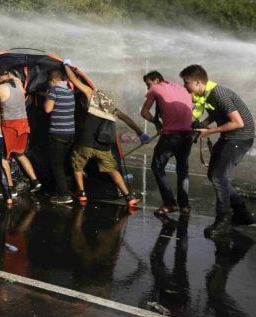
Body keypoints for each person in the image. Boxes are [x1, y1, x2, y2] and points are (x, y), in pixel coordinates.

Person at [180, 64, 256, 236]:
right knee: (214, 175)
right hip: (230, 137)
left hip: (240, 137)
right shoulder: (207, 95)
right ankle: (242, 214)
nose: (185, 86)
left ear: (198, 82)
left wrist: (209, 132)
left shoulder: (219, 94)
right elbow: (216, 114)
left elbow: (238, 122)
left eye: (186, 82)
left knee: (218, 176)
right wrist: (203, 125)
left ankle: (223, 217)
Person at [63, 61, 149, 206]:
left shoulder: (92, 95)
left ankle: (82, 193)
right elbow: (127, 119)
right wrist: (140, 133)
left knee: (77, 165)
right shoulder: (110, 106)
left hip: (86, 142)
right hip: (103, 145)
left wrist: (66, 66)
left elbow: (73, 80)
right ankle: (129, 197)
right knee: (112, 170)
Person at [140, 71, 194, 216]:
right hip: (188, 135)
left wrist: (157, 122)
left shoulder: (156, 88)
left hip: (171, 136)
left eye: (148, 84)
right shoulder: (182, 88)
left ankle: (170, 203)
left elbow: (144, 113)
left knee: (157, 166)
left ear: (156, 80)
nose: (147, 88)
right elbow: (191, 105)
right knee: (182, 169)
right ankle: (185, 206)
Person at [0, 63, 44, 193]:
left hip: (10, 126)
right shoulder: (17, 82)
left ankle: (10, 188)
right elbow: (6, 73)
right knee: (20, 154)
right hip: (24, 124)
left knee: (3, 158)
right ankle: (35, 181)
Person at [44, 69, 76, 204]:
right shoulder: (69, 91)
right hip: (70, 132)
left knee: (56, 164)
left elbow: (47, 109)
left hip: (58, 133)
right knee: (62, 163)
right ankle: (63, 189)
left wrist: (47, 96)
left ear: (52, 81)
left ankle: (64, 195)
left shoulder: (54, 90)